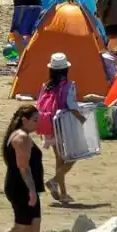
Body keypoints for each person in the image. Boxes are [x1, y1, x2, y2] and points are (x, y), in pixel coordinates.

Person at [37, 53, 83, 204]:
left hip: (49, 127)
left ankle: (63, 194)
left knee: (59, 159)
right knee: (74, 156)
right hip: (62, 127)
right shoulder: (69, 85)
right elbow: (72, 106)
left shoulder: (46, 86)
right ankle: (54, 181)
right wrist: (83, 119)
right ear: (66, 70)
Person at [0, 104, 43, 232]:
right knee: (22, 226)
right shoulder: (21, 137)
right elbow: (23, 167)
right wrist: (31, 190)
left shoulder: (19, 134)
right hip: (21, 188)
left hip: (28, 187)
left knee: (34, 227)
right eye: (35, 120)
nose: (38, 123)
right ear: (25, 120)